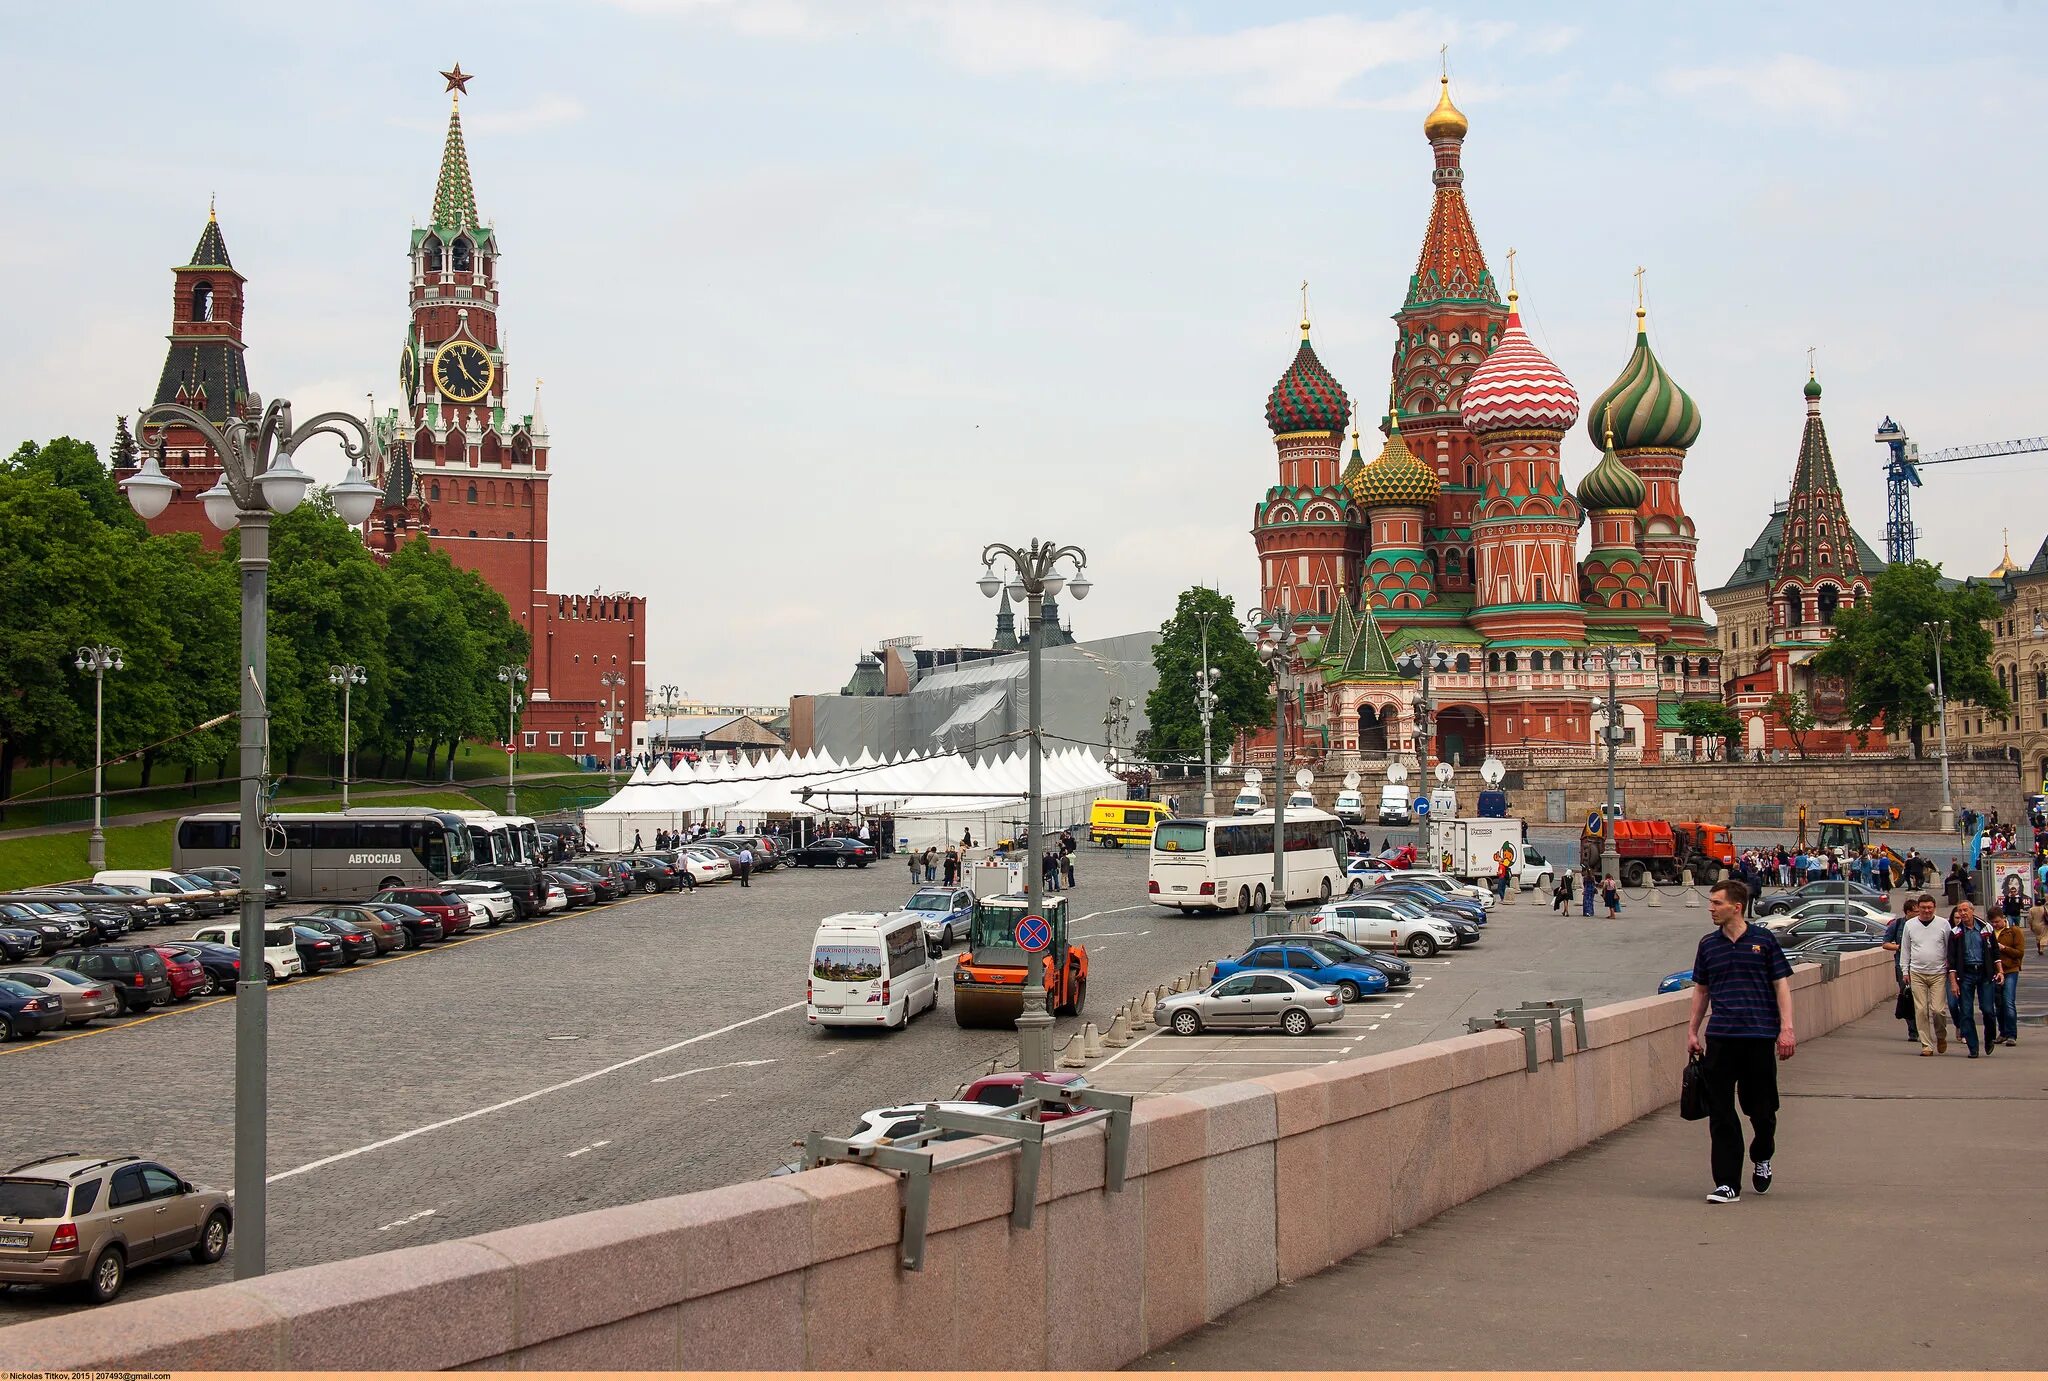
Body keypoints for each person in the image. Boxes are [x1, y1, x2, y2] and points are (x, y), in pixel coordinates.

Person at [1687, 877, 1795, 1204]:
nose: (1710, 908)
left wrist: (1786, 1029)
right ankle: (1727, 1183)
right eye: (1710, 902)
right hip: (1720, 1037)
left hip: (1759, 1036)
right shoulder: (1708, 945)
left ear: (1736, 907)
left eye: (1716, 903)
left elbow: (1781, 986)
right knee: (1720, 1111)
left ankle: (1762, 1154)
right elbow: (1701, 990)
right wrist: (1693, 1031)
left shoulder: (1763, 941)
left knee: (1762, 1110)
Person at [1897, 894, 1952, 1056]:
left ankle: (1941, 1036)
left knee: (1938, 1010)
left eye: (1929, 908)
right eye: (1923, 908)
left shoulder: (1943, 924)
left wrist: (1951, 970)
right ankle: (1926, 1045)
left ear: (1934, 908)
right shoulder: (1910, 925)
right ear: (1918, 908)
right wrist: (1904, 971)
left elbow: (1949, 948)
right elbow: (1905, 949)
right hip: (1917, 972)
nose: (1926, 911)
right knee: (1920, 1010)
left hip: (1938, 973)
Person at [1946, 903, 1998, 1058]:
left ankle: (1990, 1037)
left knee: (1988, 1010)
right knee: (1966, 1012)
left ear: (1972, 911)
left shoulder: (1985, 928)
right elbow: (1952, 960)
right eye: (1960, 911)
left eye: (1965, 910)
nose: (1962, 913)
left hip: (1984, 972)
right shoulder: (1956, 932)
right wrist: (1954, 982)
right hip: (1966, 974)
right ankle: (1973, 1047)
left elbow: (1995, 951)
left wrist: (1999, 970)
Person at [1880, 908, 1918, 1044]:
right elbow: (1885, 944)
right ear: (1907, 912)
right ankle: (1913, 1031)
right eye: (1915, 911)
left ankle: (1921, 1027)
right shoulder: (1897, 925)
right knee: (1908, 996)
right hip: (1902, 966)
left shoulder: (1920, 925)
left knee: (1921, 999)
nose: (1918, 914)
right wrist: (1900, 948)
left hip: (1920, 966)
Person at [1992, 908, 2024, 1047]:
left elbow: (2019, 953)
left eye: (1997, 922)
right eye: (1992, 922)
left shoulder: (2014, 931)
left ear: (2003, 918)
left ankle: (2011, 1034)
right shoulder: (1990, 932)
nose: (1995, 925)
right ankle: (2003, 1032)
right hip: (1994, 972)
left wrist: (2003, 948)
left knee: (2008, 1001)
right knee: (1998, 1003)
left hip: (2011, 969)